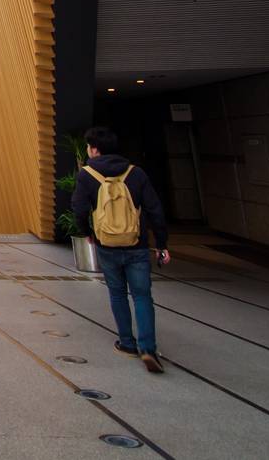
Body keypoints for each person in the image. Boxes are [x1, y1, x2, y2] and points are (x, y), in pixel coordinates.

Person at [71, 125, 171, 373]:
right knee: (142, 296)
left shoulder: (87, 175)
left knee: (117, 294)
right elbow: (155, 210)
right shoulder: (135, 173)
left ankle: (127, 342)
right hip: (136, 244)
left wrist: (88, 234)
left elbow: (79, 209)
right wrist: (161, 244)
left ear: (94, 150)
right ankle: (148, 348)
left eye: (88, 147)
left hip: (107, 244)